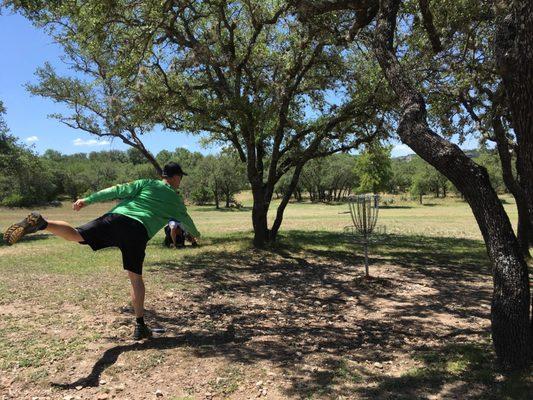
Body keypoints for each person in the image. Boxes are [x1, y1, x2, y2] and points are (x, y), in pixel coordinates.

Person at [3, 162, 200, 340]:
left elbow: (116, 190)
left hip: (116, 218)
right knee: (135, 278)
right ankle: (140, 326)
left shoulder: (147, 183)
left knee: (76, 235)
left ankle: (42, 223)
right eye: (180, 178)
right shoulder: (176, 200)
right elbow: (188, 223)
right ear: (174, 177)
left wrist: (87, 200)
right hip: (138, 232)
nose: (180, 182)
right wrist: (196, 234)